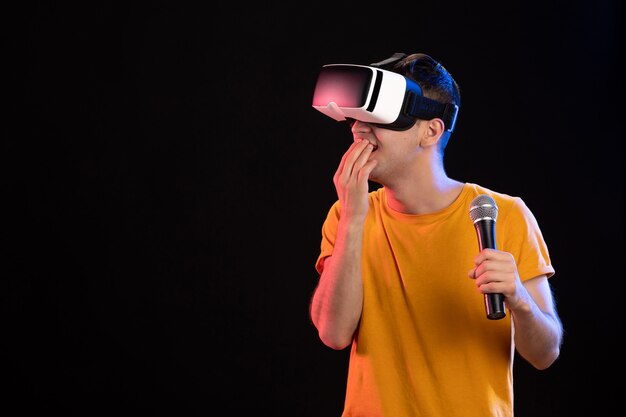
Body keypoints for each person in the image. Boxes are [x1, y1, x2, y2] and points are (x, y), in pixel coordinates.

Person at [308, 52, 564, 417]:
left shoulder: (504, 214)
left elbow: (545, 354)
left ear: (431, 130)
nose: (357, 130)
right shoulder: (346, 214)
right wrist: (353, 217)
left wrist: (520, 300)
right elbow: (333, 334)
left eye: (376, 120)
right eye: (356, 119)